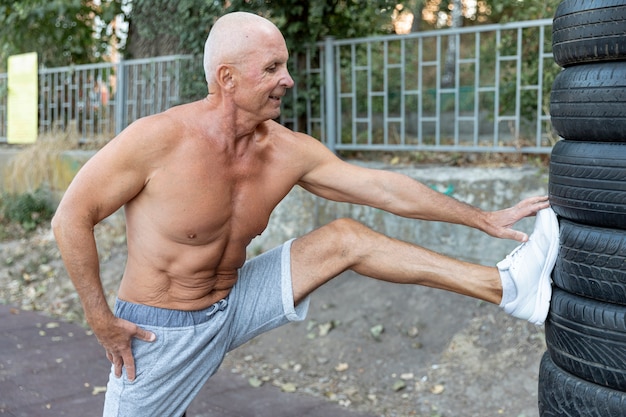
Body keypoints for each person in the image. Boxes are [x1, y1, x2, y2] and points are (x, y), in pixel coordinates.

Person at [51, 11, 559, 417]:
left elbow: (384, 189)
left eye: (285, 66)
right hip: (160, 330)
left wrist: (483, 218)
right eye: (272, 68)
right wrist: (100, 318)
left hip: (233, 302)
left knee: (345, 238)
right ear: (227, 78)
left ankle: (507, 288)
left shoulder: (286, 150)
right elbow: (70, 217)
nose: (288, 80)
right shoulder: (157, 140)